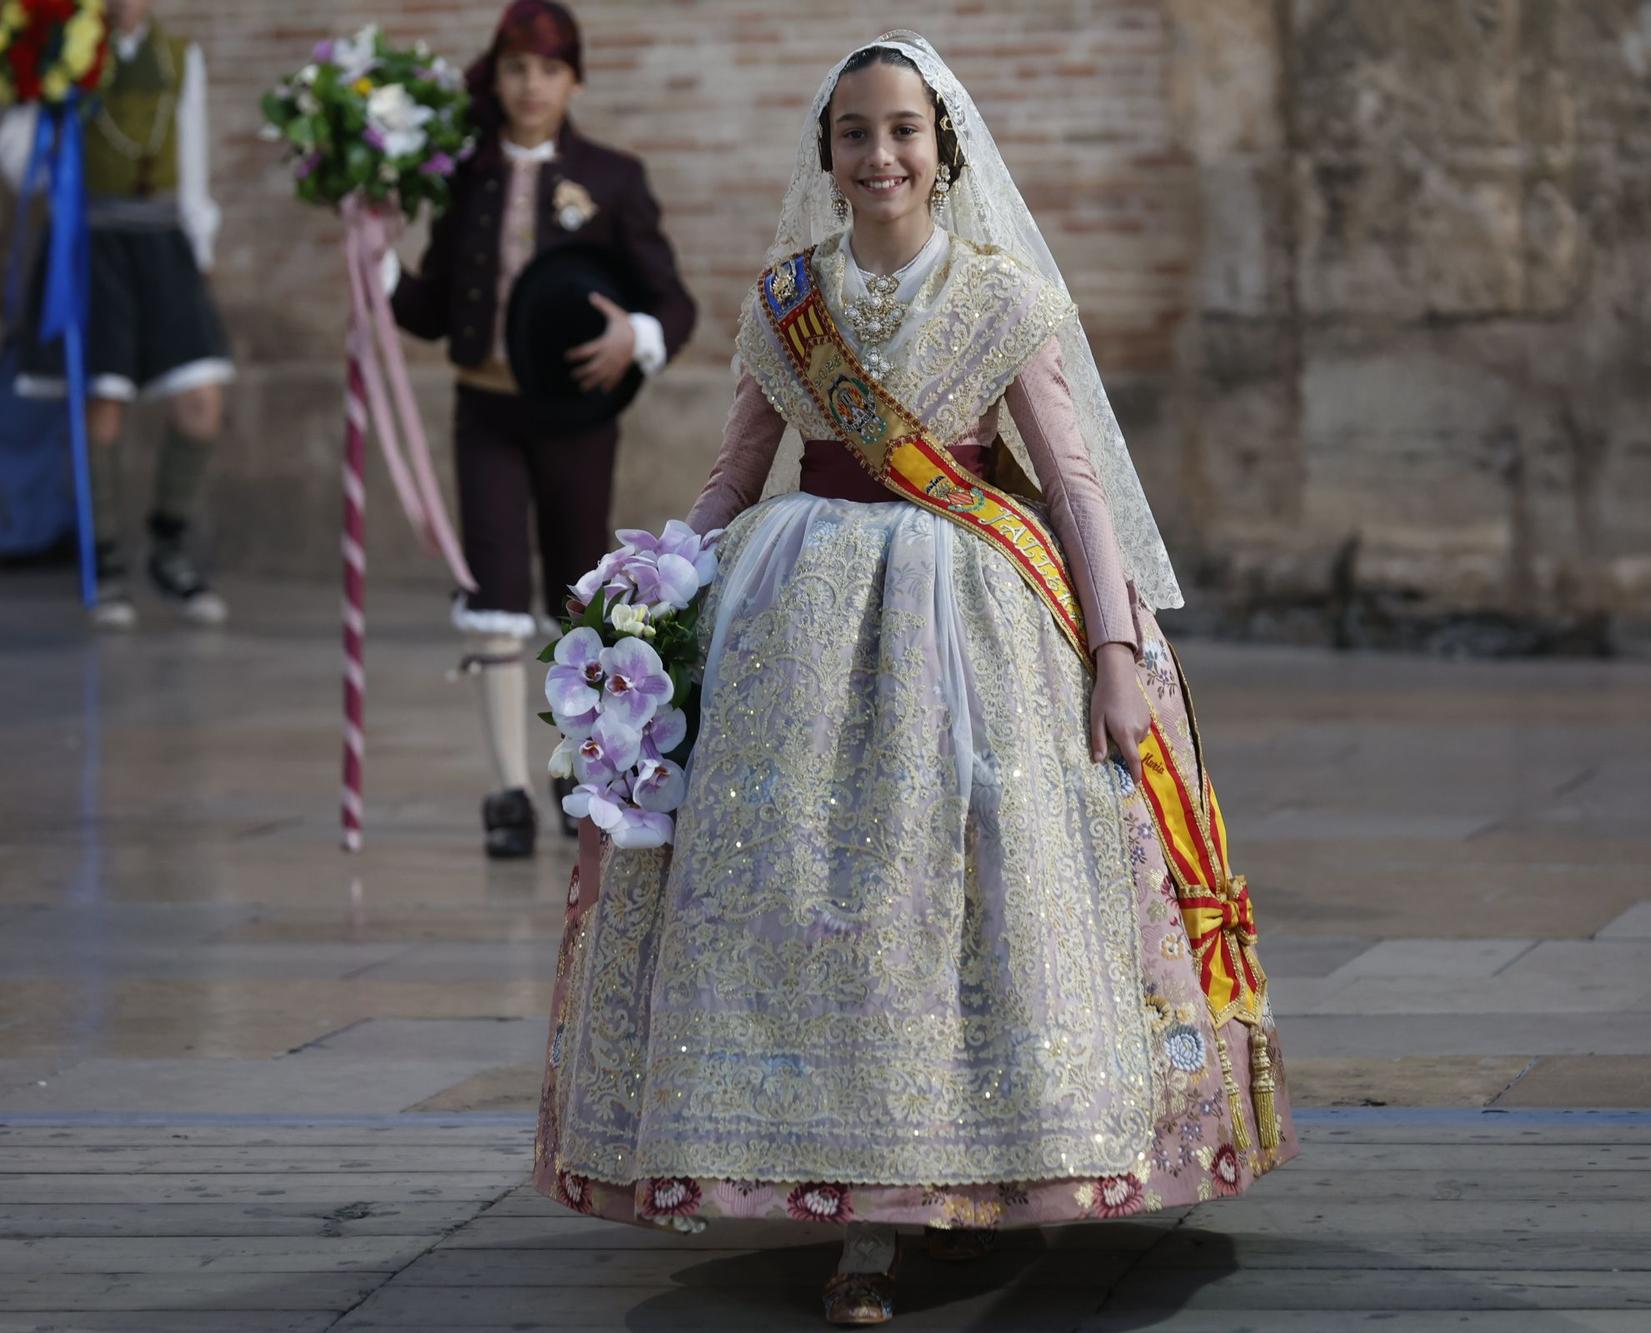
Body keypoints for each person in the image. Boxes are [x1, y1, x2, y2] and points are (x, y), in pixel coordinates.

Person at [532, 31, 1293, 1325]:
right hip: (797, 627)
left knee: (951, 899)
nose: (878, 154)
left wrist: (1115, 654)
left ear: (944, 151)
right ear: (825, 157)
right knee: (803, 903)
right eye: (853, 133)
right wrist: (650, 593)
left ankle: (967, 1169)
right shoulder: (788, 301)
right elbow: (736, 472)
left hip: (975, 622)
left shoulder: (1003, 300)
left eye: (901, 131)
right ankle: (854, 1211)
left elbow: (1073, 485)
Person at [389, 0, 697, 859]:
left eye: (549, 69)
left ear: (574, 79)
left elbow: (673, 301)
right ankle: (508, 790)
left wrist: (632, 338)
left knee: (575, 595)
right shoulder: (463, 177)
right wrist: (372, 256)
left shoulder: (612, 177)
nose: (532, 86)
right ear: (501, 75)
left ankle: (582, 774)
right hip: (483, 409)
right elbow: (428, 307)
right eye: (517, 68)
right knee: (491, 596)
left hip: (574, 417)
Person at [0, 0, 232, 630]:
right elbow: (16, 159)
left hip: (162, 240)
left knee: (201, 401)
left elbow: (192, 159)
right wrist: (51, 105)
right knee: (103, 404)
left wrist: (199, 243)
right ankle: (107, 561)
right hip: (93, 241)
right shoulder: (65, 48)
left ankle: (169, 547)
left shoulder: (179, 58)